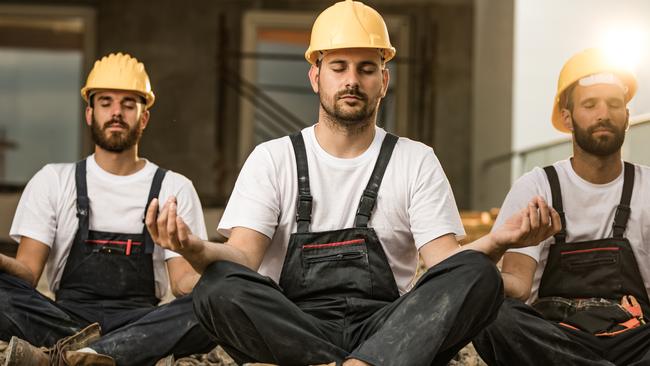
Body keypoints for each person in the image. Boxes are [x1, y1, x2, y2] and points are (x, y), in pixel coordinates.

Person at [148, 1, 558, 365]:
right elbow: (242, 258)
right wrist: (193, 248)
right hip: (294, 326)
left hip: (386, 326)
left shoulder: (415, 159)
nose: (352, 81)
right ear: (316, 76)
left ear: (384, 79)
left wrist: (500, 241)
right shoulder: (274, 158)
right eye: (339, 67)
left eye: (366, 69)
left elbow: (446, 265)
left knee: (479, 275)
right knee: (216, 286)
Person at [1, 52, 215, 365]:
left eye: (128, 104)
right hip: (62, 319)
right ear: (89, 113)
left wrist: (224, 283)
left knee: (215, 307)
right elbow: (28, 274)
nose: (116, 112)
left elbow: (182, 283)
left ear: (144, 117)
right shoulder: (53, 180)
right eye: (105, 102)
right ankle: (112, 353)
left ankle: (70, 356)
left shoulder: (174, 187)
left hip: (142, 323)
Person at [473, 48, 650, 366]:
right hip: (555, 340)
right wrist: (474, 278)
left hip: (634, 341)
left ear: (626, 114)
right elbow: (517, 286)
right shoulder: (537, 188)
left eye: (614, 104)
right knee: (492, 315)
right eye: (589, 104)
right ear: (567, 117)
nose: (603, 114)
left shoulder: (647, 188)